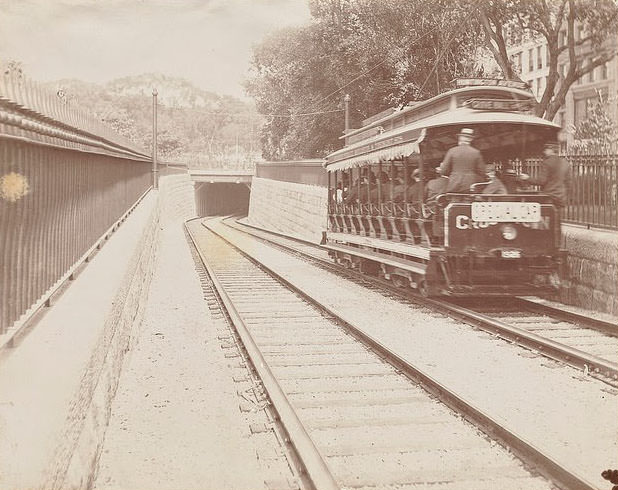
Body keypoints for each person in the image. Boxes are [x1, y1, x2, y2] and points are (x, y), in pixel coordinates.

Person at [518, 142, 571, 208]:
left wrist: (527, 178)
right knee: (557, 216)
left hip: (549, 196)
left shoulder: (547, 162)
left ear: (551, 150)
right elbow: (568, 182)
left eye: (546, 149)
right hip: (561, 197)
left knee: (531, 207)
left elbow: (541, 181)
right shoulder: (565, 163)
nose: (544, 151)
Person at [438, 128, 486, 193]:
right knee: (469, 201)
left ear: (460, 138)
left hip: (454, 183)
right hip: (470, 184)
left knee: (454, 201)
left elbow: (443, 171)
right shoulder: (476, 152)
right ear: (470, 139)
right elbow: (482, 172)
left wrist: (452, 174)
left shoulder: (452, 151)